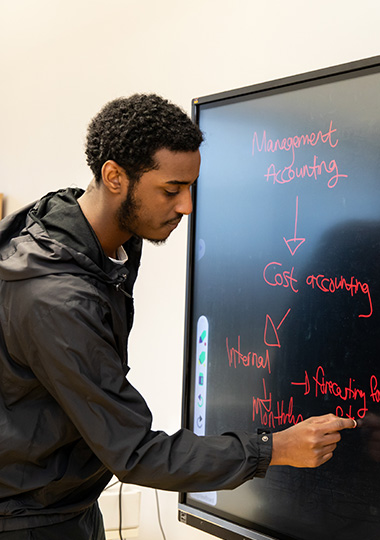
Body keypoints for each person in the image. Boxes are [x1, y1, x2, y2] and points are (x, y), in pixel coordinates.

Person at [0, 93, 355, 539]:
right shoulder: (57, 299)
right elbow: (135, 453)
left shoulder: (67, 226)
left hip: (62, 503)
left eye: (191, 187)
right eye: (171, 190)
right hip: (30, 521)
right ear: (114, 177)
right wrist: (273, 448)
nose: (187, 206)